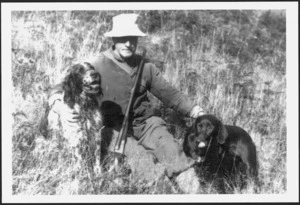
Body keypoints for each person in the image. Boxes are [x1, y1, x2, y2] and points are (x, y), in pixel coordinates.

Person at [48, 13, 205, 194]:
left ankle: (197, 195)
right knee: (142, 161)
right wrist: (59, 106)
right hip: (114, 128)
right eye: (123, 39)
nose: (128, 44)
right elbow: (61, 86)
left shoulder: (146, 67)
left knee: (172, 150)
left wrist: (196, 112)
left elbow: (170, 94)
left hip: (146, 124)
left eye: (132, 39)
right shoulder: (95, 64)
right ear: (114, 39)